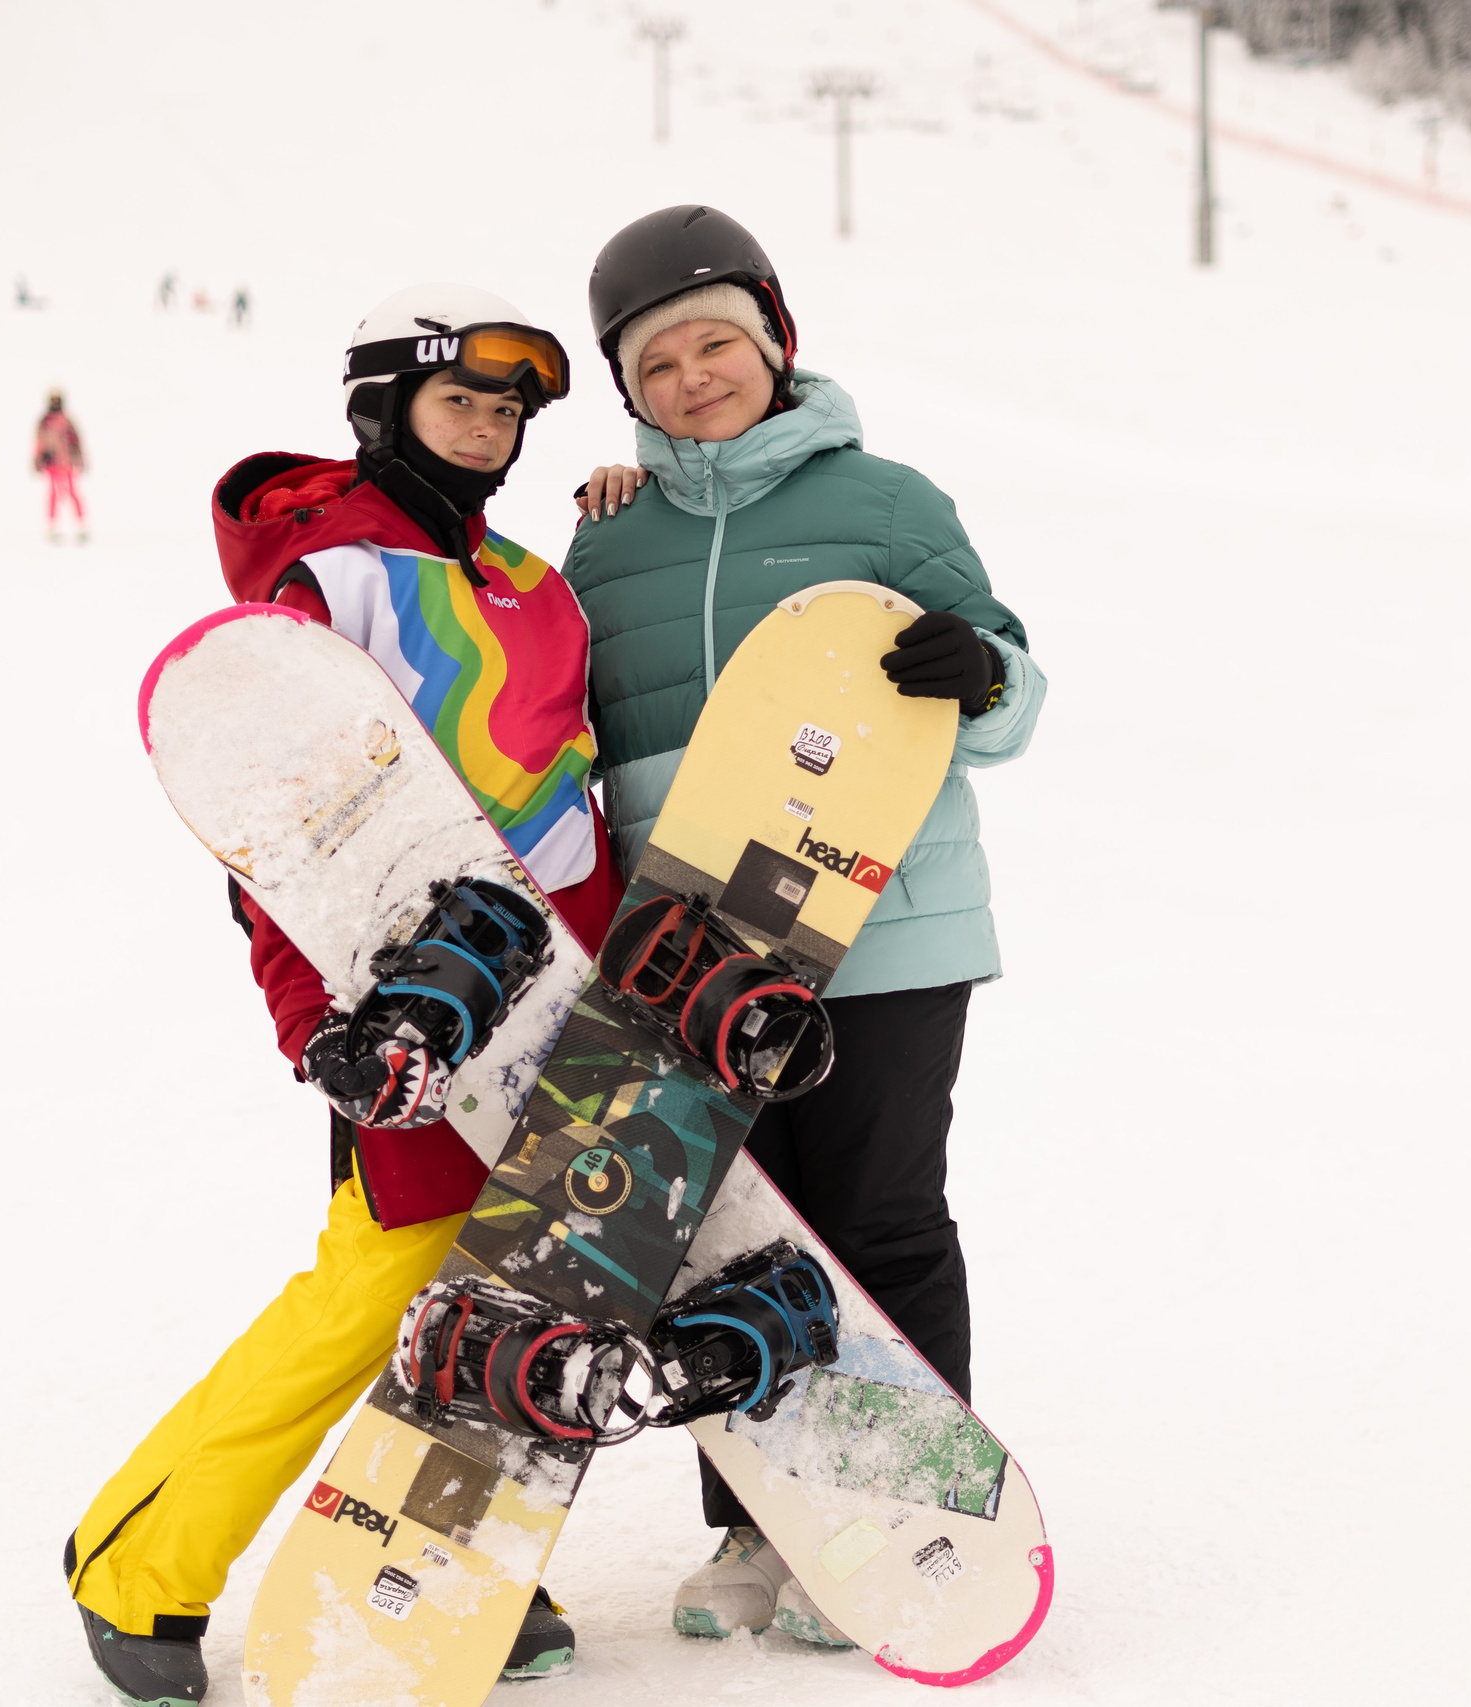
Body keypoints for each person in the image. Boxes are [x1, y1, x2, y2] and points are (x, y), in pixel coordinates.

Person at [65, 284, 620, 1705]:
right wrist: (318, 1017)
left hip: (570, 999)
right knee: (376, 1286)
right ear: (383, 412)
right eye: (462, 404)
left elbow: (571, 797)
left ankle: (466, 1559)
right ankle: (136, 1558)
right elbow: (282, 834)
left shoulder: (531, 581)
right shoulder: (331, 576)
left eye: (509, 412)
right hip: (422, 1006)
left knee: (519, 1292)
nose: (489, 430)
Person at [562, 205, 1047, 1647]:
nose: (694, 375)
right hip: (692, 948)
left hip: (888, 925)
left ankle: (908, 1514)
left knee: (881, 1218)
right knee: (729, 1239)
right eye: (658, 362)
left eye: (719, 340)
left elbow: (1014, 698)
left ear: (776, 340)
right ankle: (762, 1529)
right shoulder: (603, 545)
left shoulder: (890, 501)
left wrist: (982, 673)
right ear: (628, 390)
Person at [33, 391, 88, 544]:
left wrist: (80, 458)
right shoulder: (45, 421)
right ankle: (52, 527)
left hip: (67, 462)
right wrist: (38, 458)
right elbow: (39, 441)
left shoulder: (67, 421)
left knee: (72, 492)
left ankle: (81, 525)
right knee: (53, 495)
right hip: (52, 463)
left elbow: (76, 440)